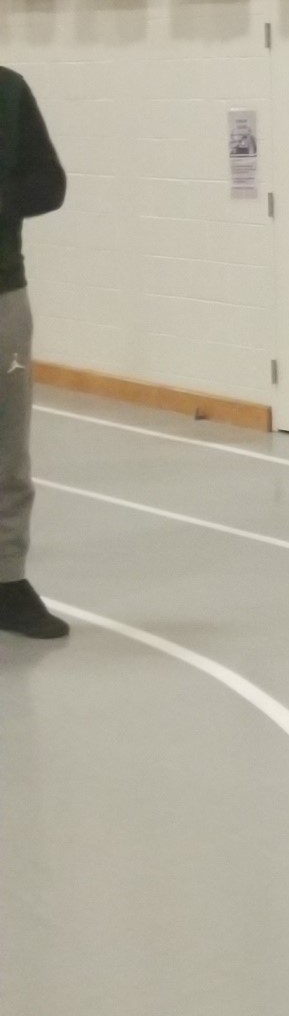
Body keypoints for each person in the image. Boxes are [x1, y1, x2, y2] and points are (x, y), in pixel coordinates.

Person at [0, 66, 66, 641]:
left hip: (2, 295)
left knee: (7, 449)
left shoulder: (9, 89)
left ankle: (7, 581)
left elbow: (49, 184)